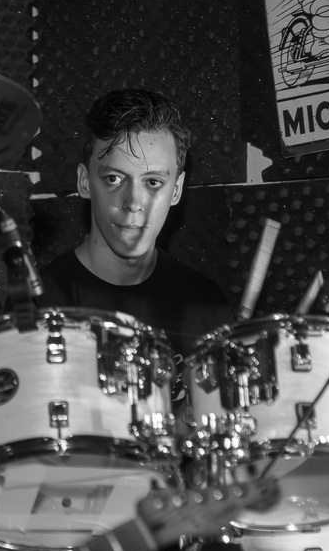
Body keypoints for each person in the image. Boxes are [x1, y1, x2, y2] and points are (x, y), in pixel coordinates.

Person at [37, 88, 235, 360]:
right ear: (85, 182)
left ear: (176, 190)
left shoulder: (206, 304)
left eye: (153, 182)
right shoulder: (38, 305)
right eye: (114, 179)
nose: (133, 203)